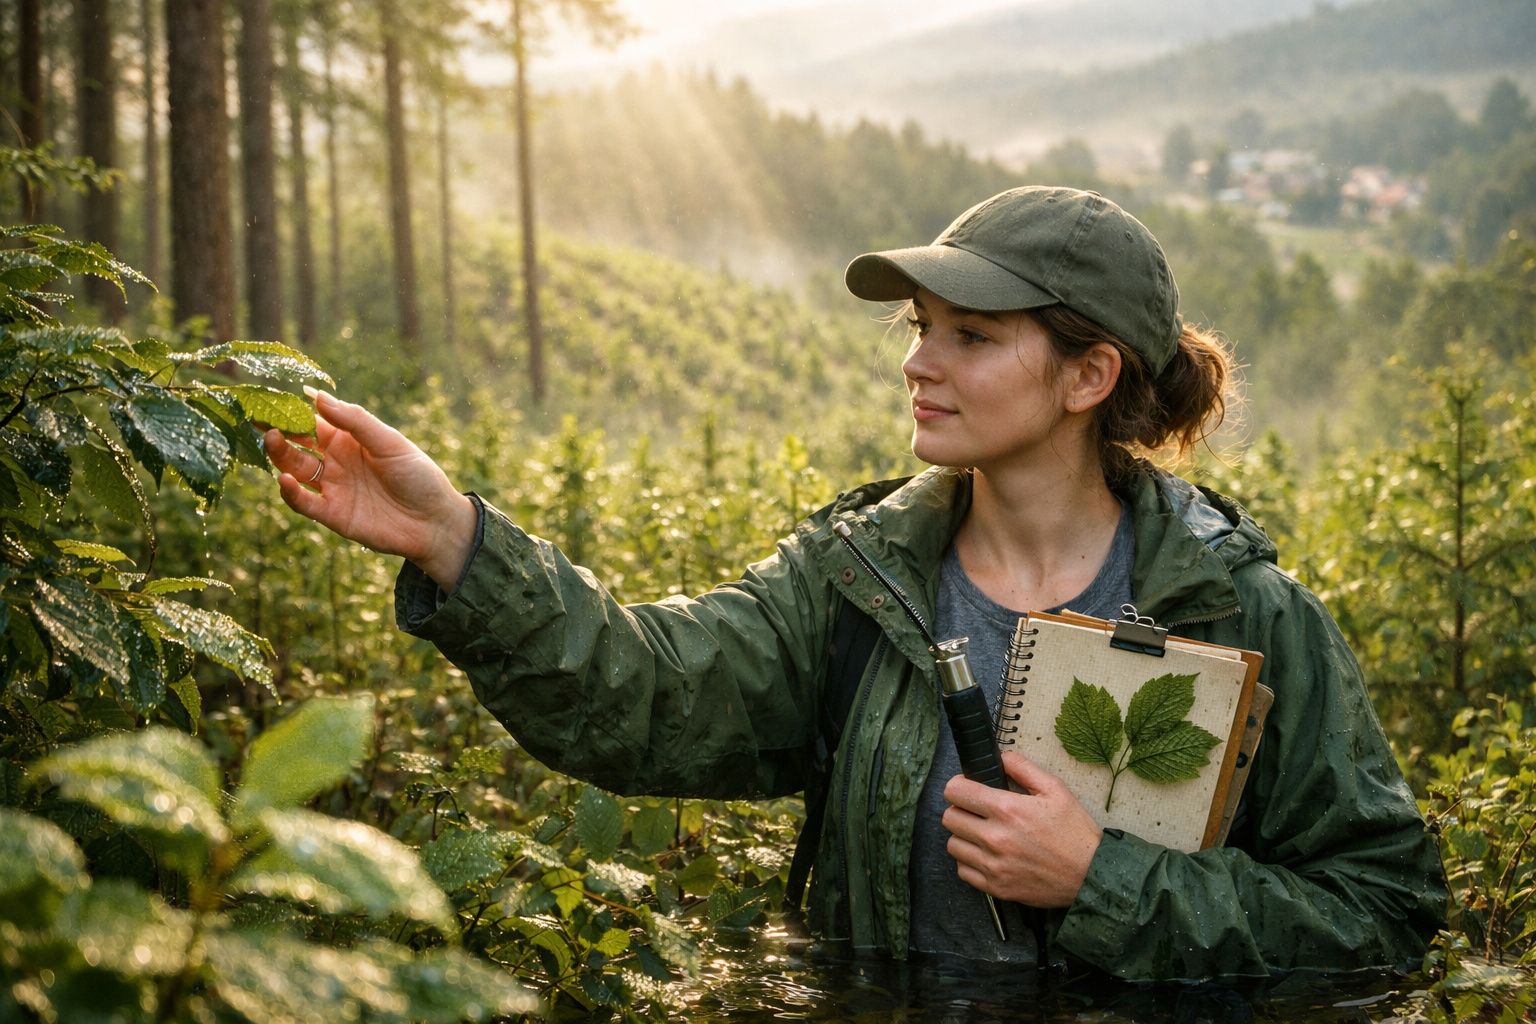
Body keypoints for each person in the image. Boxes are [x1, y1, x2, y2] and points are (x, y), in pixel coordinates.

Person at [265, 185, 1447, 979]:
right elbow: (650, 694)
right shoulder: (855, 582)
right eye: (920, 327)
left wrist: (1104, 879)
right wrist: (458, 541)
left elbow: (1382, 909)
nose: (919, 363)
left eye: (970, 337)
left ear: (1090, 373)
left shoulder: (1241, 613)